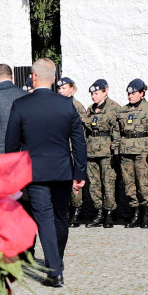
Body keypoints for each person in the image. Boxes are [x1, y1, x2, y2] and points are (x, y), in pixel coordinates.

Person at [5, 58, 87, 288]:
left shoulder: (21, 105)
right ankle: (56, 261)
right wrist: (79, 171)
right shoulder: (66, 105)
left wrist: (12, 175)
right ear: (53, 80)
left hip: (35, 172)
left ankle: (55, 271)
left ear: (34, 77)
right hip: (62, 170)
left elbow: (11, 144)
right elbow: (79, 141)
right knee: (60, 217)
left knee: (44, 219)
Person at [113, 79, 148, 229]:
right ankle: (136, 213)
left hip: (142, 151)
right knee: (129, 184)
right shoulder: (123, 111)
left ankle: (146, 215)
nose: (130, 96)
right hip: (126, 151)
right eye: (129, 93)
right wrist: (116, 150)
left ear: (142, 93)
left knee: (143, 183)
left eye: (133, 93)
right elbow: (117, 132)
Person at [82, 79, 122, 228]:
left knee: (108, 183)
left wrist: (116, 151)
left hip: (107, 152)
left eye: (96, 93)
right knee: (94, 184)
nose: (94, 96)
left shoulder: (114, 108)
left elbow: (117, 132)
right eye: (92, 94)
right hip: (91, 152)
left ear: (106, 91)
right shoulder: (91, 109)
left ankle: (109, 214)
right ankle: (98, 212)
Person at [57, 77, 87, 225]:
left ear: (72, 89)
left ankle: (77, 210)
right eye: (59, 89)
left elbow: (80, 134)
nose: (61, 91)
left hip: (74, 149)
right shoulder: (57, 105)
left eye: (64, 88)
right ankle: (66, 209)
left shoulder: (77, 106)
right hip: (62, 149)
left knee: (75, 180)